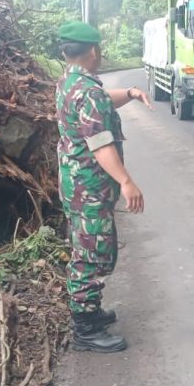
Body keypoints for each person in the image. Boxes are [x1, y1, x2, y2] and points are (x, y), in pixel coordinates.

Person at [55, 21, 150, 353]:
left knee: (86, 245)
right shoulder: (87, 92)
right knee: (94, 253)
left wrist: (129, 93)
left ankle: (90, 312)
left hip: (75, 183)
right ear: (93, 51)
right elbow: (101, 145)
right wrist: (126, 181)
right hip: (89, 187)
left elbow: (98, 100)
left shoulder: (71, 83)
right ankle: (85, 328)